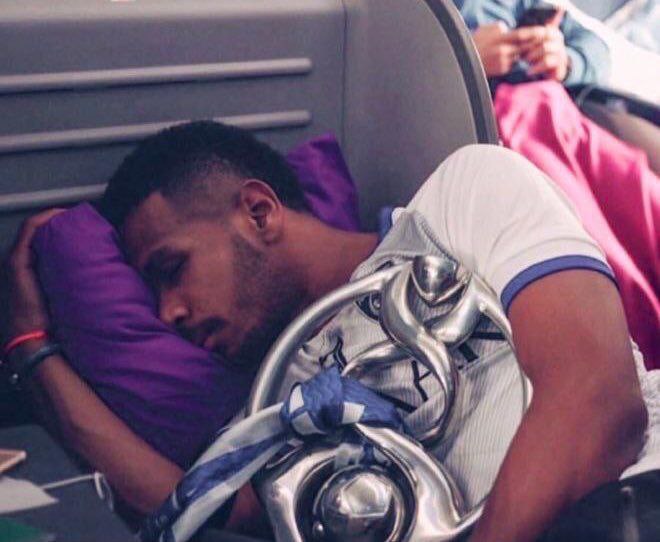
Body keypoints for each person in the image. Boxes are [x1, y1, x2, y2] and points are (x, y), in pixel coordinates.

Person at [5, 121, 658, 542]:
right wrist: (32, 354)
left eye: (172, 269)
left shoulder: (462, 196)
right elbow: (183, 507)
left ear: (258, 212)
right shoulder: (280, 402)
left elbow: (595, 402)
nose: (169, 312)